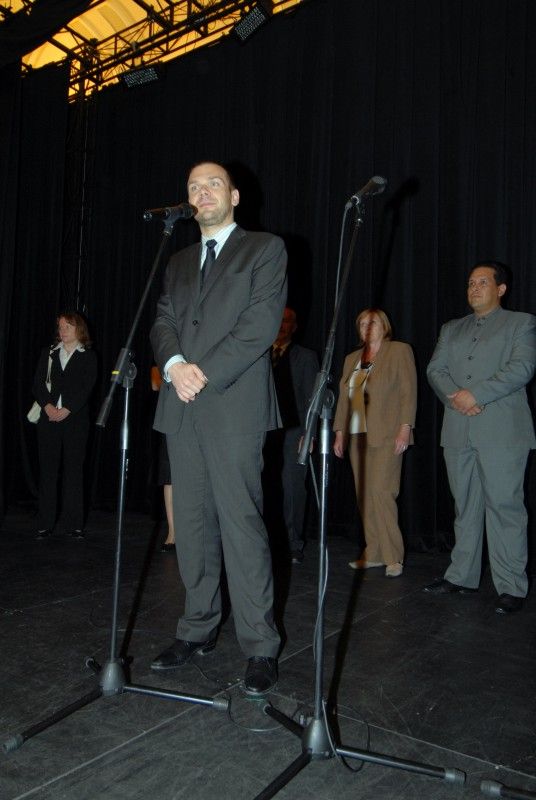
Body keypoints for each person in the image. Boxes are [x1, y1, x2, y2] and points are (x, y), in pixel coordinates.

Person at [150, 161, 287, 695]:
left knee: (241, 524)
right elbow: (163, 321)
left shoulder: (264, 248)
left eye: (212, 184)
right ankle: (197, 628)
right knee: (192, 524)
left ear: (233, 195)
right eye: (192, 186)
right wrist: (176, 363)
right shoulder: (179, 260)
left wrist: (200, 372)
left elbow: (260, 325)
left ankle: (260, 644)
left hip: (233, 406)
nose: (201, 192)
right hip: (182, 406)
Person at [424, 261, 536, 614]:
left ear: (501, 289)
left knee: (504, 507)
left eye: (482, 282)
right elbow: (434, 370)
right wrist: (457, 397)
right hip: (458, 428)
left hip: (502, 432)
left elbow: (522, 367)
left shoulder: (521, 323)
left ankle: (511, 585)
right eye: (471, 282)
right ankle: (461, 576)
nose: (474, 288)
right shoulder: (451, 328)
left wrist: (476, 394)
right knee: (465, 506)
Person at [333, 308, 417, 577]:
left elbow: (408, 391)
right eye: (362, 323)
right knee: (364, 496)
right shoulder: (351, 359)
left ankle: (394, 556)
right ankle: (374, 551)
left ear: (384, 325)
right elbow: (344, 399)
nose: (367, 327)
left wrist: (405, 428)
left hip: (387, 433)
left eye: (373, 322)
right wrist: (339, 433)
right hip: (357, 435)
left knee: (382, 492)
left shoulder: (399, 351)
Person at [32, 312, 97, 539]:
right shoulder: (49, 353)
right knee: (48, 471)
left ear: (79, 329)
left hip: (75, 422)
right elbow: (38, 383)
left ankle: (74, 524)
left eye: (67, 327)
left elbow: (87, 387)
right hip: (49, 420)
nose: (63, 331)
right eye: (60, 327)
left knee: (73, 471)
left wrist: (67, 409)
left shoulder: (87, 356)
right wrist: (48, 407)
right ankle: (45, 523)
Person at [264, 307, 318, 564]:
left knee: (292, 488)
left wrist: (309, 434)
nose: (282, 325)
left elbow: (312, 397)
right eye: (279, 320)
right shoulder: (259, 355)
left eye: (288, 321)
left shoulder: (306, 357)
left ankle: (293, 543)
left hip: (294, 433)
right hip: (262, 432)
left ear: (294, 327)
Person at [150, 365, 175, 552]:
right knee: (170, 477)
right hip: (172, 412)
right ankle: (173, 533)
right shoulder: (170, 342)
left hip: (203, 413)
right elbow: (155, 383)